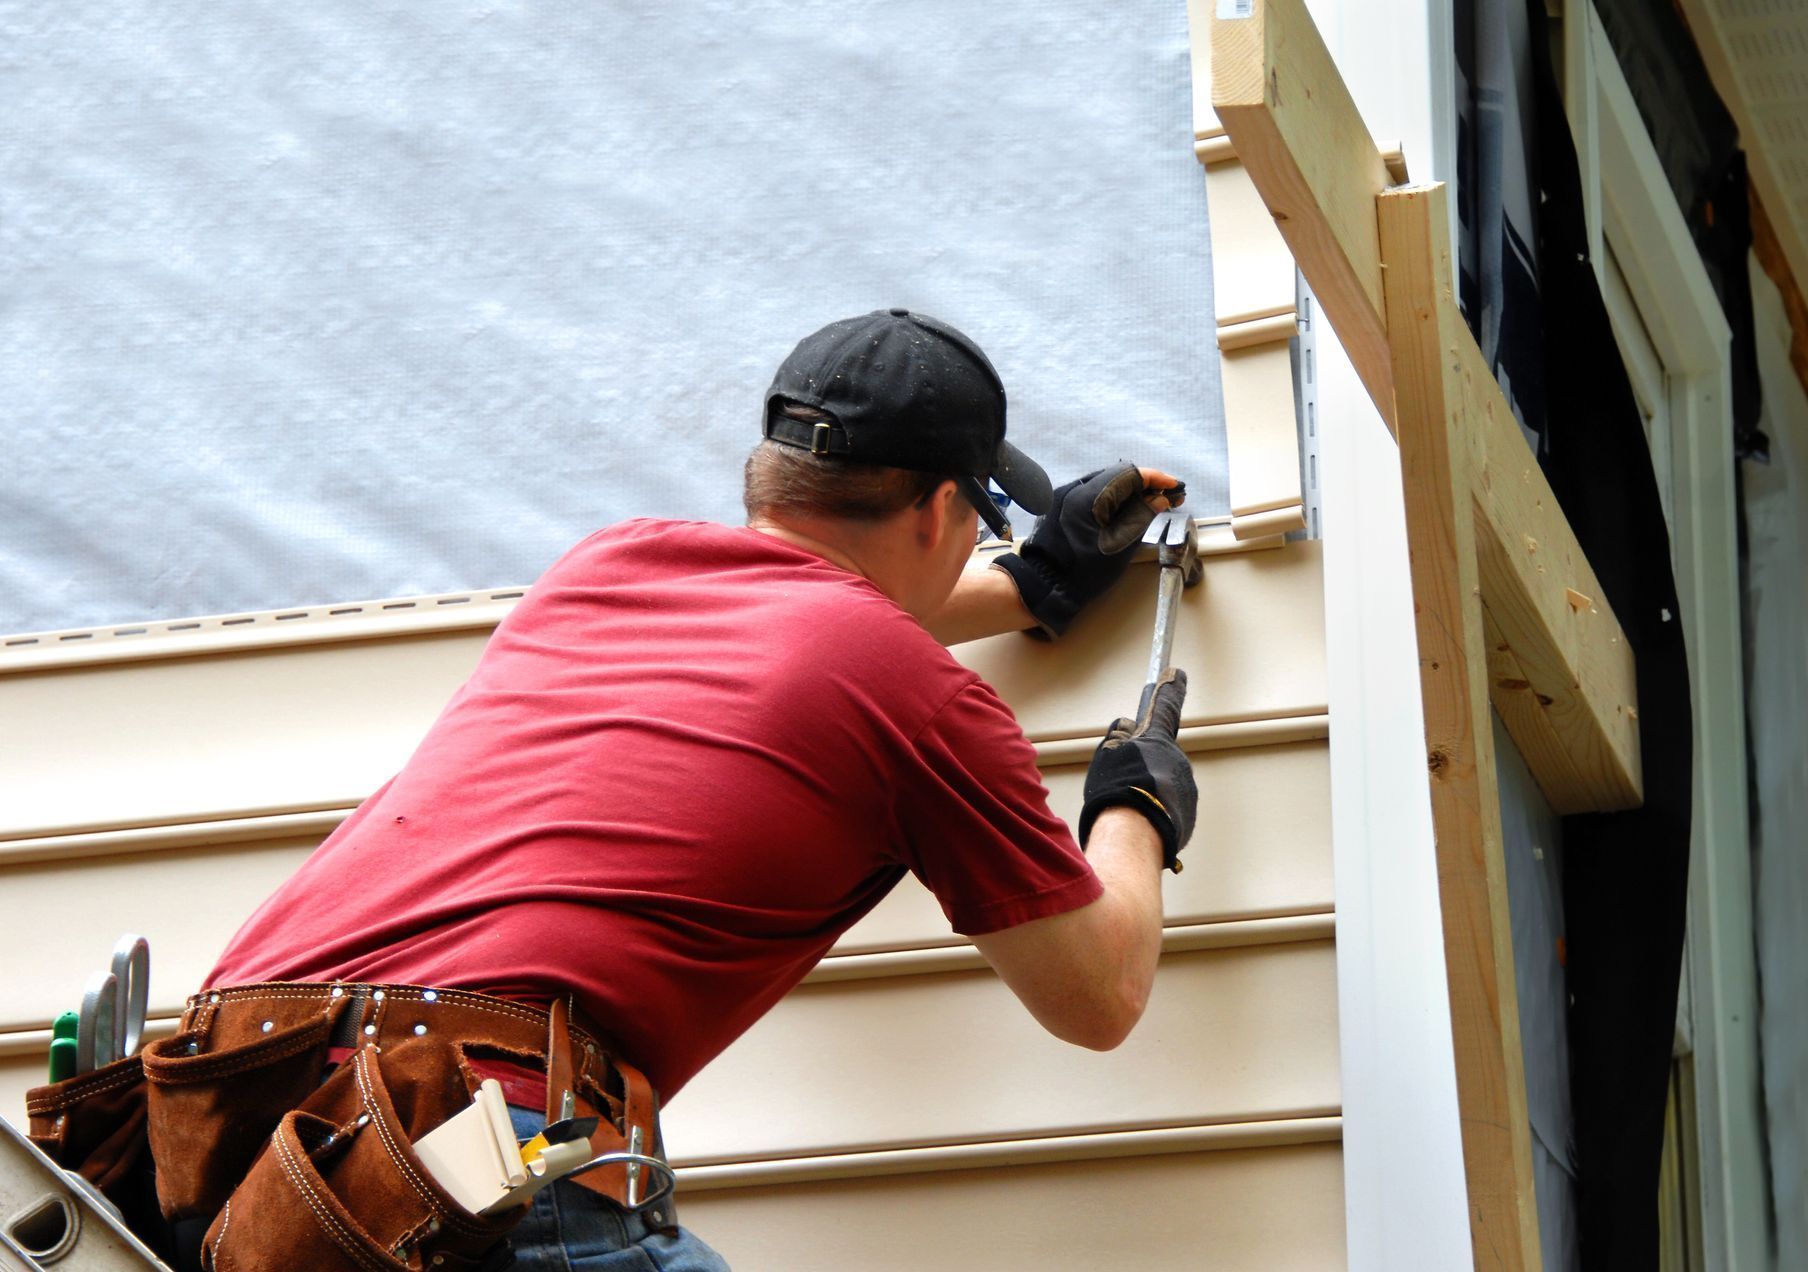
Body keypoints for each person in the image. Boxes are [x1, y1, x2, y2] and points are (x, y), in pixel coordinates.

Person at [34, 309, 1200, 1271]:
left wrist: (1033, 581)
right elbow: (1095, 996)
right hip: (450, 1144)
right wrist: (1131, 810)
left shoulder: (607, 569)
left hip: (226, 1138)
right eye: (984, 525)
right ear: (944, 509)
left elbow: (802, 622)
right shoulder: (914, 695)